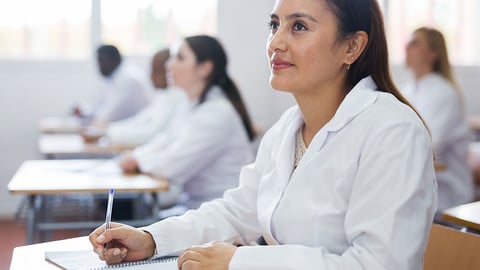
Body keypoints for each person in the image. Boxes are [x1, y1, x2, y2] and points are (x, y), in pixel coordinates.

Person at [89, 1, 437, 269]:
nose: (276, 43)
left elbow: (378, 265)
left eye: (298, 26)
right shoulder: (289, 126)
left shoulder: (392, 130)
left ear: (352, 47)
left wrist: (239, 261)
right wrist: (151, 239)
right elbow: (236, 212)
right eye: (274, 25)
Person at [117, 35, 255, 210]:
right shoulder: (189, 103)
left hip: (222, 213)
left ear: (204, 68)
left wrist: (138, 161)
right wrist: (136, 156)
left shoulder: (216, 113)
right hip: (196, 207)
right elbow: (164, 140)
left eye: (179, 58)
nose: (169, 64)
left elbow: (173, 166)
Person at [402, 27, 474, 211]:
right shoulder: (406, 89)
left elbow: (431, 146)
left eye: (415, 43)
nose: (407, 47)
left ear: (433, 54)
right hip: (413, 185)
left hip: (445, 193)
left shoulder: (443, 93)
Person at [96, 49, 185, 147]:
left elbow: (152, 133)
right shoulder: (163, 94)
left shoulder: (177, 96)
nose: (151, 77)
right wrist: (110, 129)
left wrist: (110, 131)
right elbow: (140, 119)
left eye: (156, 70)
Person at [73, 45, 153, 126]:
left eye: (101, 61)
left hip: (135, 130)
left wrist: (89, 118)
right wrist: (86, 112)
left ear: (113, 60)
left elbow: (107, 116)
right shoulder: (116, 76)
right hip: (124, 129)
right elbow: (102, 105)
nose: (99, 67)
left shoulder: (128, 79)